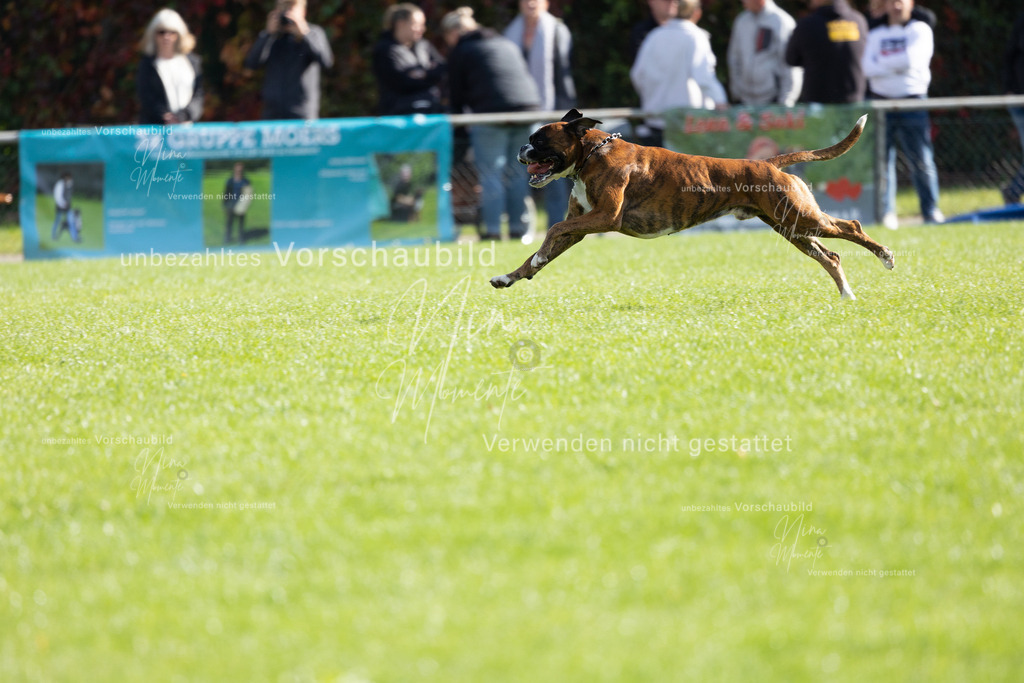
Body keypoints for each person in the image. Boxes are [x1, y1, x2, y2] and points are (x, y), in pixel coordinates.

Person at [442, 7, 542, 241]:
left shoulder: (463, 49)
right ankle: (518, 229)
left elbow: (455, 95)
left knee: (491, 174)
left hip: (491, 115)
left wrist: (458, 132)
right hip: (528, 111)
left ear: (453, 33)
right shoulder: (505, 42)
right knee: (519, 172)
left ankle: (492, 231)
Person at [862, 0, 942, 228]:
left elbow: (913, 60)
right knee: (882, 162)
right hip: (880, 104)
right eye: (892, 1)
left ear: (911, 3)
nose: (897, 5)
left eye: (901, 0)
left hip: (912, 102)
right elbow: (867, 67)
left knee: (922, 159)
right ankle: (886, 213)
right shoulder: (875, 33)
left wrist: (883, 64)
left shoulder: (920, 29)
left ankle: (931, 211)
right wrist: (897, 65)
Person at [505, 0, 578, 226]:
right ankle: (519, 226)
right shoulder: (509, 32)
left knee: (554, 172)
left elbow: (565, 75)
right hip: (519, 111)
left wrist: (565, 118)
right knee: (518, 168)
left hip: (552, 112)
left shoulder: (558, 29)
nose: (530, 2)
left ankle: (557, 225)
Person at [630, 0, 727, 147]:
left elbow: (637, 75)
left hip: (655, 123)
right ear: (697, 13)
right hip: (688, 126)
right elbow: (704, 77)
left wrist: (653, 100)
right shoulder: (696, 36)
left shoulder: (653, 36)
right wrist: (721, 103)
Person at [244, 0, 334, 120]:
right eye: (282, 9)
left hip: (302, 113)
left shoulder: (314, 33)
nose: (286, 14)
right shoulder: (272, 38)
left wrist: (304, 34)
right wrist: (267, 34)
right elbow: (252, 63)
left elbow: (326, 62)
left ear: (303, 12)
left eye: (290, 9)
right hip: (272, 113)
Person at [785, 0, 867, 104]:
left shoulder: (807, 25)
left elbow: (791, 59)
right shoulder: (859, 20)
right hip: (854, 103)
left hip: (818, 104)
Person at [372, 3, 445, 116]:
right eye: (417, 24)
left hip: (430, 109)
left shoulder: (424, 46)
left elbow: (442, 69)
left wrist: (421, 74)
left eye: (423, 25)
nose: (422, 29)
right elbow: (399, 82)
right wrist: (429, 75)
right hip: (398, 114)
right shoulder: (384, 49)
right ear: (401, 24)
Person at [728, 0, 802, 106]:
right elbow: (734, 58)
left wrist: (787, 100)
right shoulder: (741, 21)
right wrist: (737, 93)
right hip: (745, 101)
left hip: (774, 100)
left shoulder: (781, 22)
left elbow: (791, 64)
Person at [137, 8, 204, 125]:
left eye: (172, 32)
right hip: (156, 130)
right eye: (161, 32)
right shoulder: (147, 64)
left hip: (187, 129)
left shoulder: (193, 62)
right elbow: (146, 96)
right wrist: (164, 115)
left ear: (179, 34)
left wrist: (184, 115)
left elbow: (198, 95)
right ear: (154, 35)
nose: (166, 37)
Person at [1002, 12, 1024, 205]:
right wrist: (1008, 89)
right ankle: (1012, 191)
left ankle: (1012, 190)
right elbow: (1009, 57)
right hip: (1019, 98)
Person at [628, 0, 680, 66]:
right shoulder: (641, 32)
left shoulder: (688, 31)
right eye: (666, 0)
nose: (672, 2)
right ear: (651, 1)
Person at [222, 162, 252, 244]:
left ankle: (241, 239)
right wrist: (224, 203)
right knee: (229, 223)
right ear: (234, 170)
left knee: (241, 224)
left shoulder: (245, 181)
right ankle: (227, 239)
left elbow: (249, 193)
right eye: (237, 169)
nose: (239, 171)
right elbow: (226, 192)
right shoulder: (230, 181)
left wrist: (245, 204)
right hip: (231, 204)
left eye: (240, 170)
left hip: (241, 204)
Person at [51, 172, 78, 242]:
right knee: (57, 221)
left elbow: (69, 194)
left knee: (71, 221)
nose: (69, 179)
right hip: (60, 206)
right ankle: (53, 235)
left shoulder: (69, 184)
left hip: (68, 207)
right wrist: (63, 203)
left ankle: (75, 237)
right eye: (68, 177)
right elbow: (57, 196)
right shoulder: (60, 184)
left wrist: (67, 203)